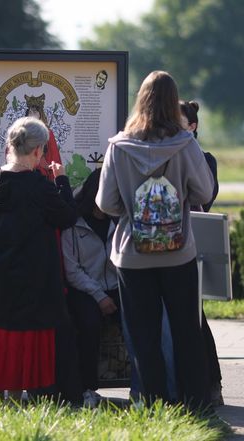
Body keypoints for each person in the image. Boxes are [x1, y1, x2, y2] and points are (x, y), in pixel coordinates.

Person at [96, 71, 214, 409]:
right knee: (186, 331)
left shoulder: (119, 146)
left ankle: (152, 404)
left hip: (132, 256)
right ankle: (195, 404)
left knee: (143, 335)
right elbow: (204, 190)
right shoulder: (186, 144)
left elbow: (106, 203)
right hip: (179, 252)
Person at [0, 116, 78, 403]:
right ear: (38, 151)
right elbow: (67, 216)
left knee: (1, 338)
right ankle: (16, 398)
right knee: (24, 342)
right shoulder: (40, 187)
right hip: (32, 279)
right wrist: (61, 179)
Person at [61, 168, 119, 408]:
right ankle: (87, 387)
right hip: (85, 289)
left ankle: (145, 387)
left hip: (115, 285)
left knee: (140, 320)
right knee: (88, 324)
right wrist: (99, 296)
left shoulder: (119, 221)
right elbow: (72, 270)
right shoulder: (73, 224)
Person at [179, 99, 224, 405]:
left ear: (192, 127)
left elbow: (204, 200)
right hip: (171, 245)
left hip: (192, 244)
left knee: (197, 316)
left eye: (177, 121)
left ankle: (212, 382)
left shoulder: (203, 159)